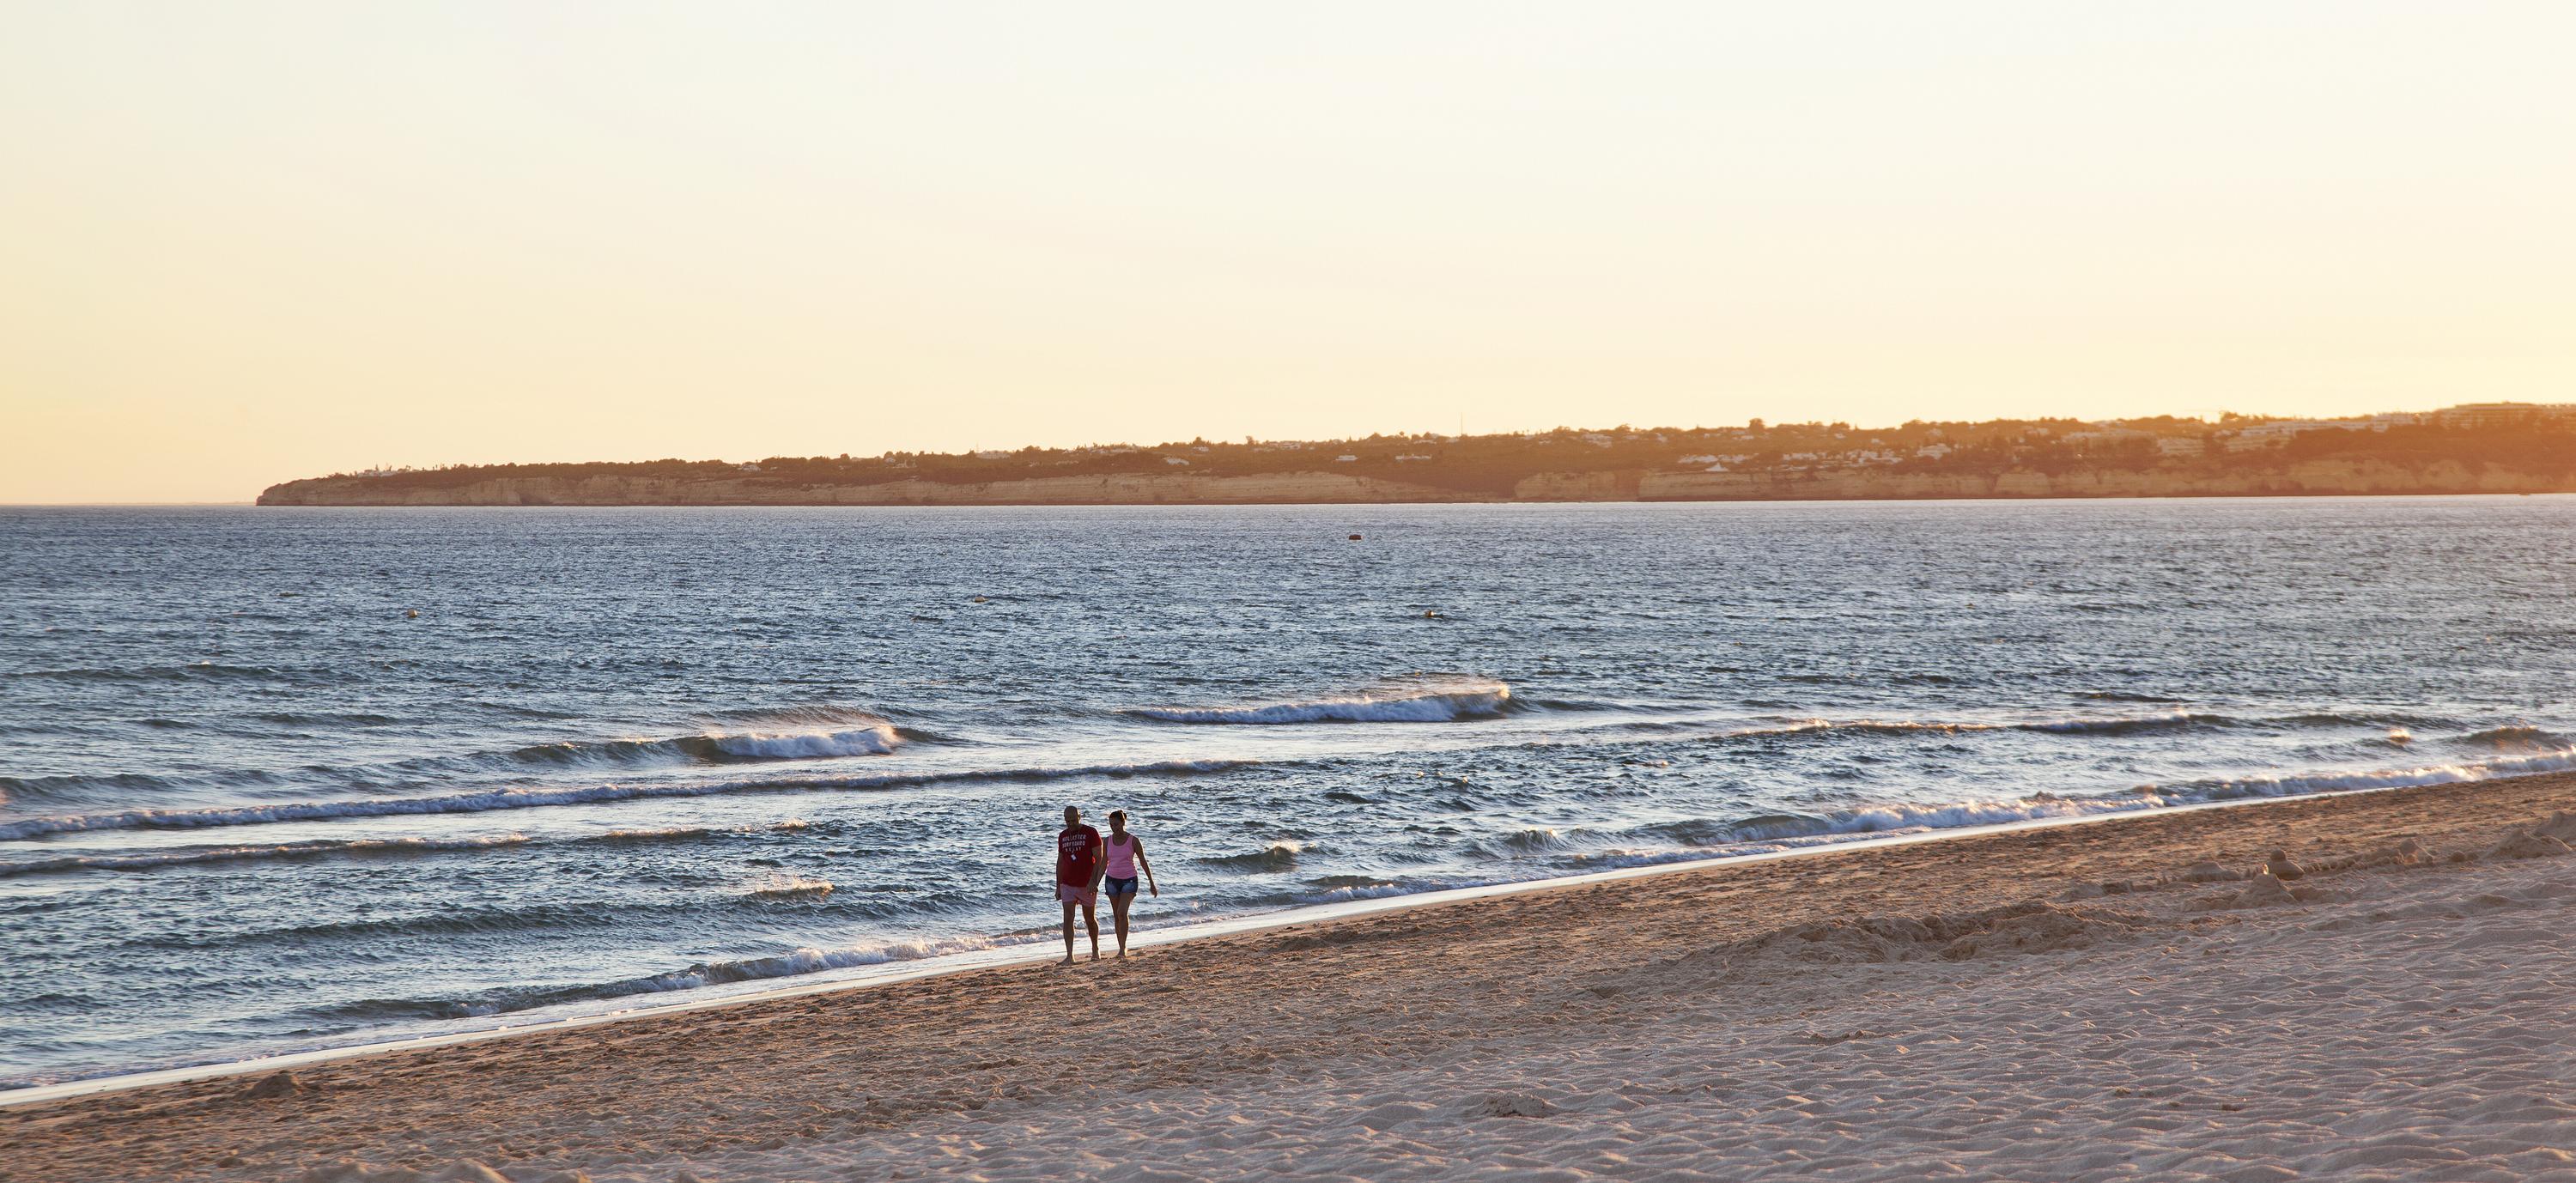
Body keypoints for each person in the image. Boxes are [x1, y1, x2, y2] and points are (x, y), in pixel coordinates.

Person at [1098, 809, 1159, 957]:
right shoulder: (1106, 841)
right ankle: (1121, 946)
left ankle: (1123, 948)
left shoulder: (1134, 840)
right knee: (1116, 915)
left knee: (1122, 912)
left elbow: (1143, 862)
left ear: (1123, 822)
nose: (1114, 828)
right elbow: (1103, 863)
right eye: (1111, 825)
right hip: (1111, 880)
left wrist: (1152, 882)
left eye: (1117, 824)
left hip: (1129, 880)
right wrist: (1095, 882)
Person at [1054, 805, 1104, 964]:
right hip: (1067, 884)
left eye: (1073, 820)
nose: (1070, 824)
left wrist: (1094, 881)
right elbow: (1061, 861)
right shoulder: (1062, 836)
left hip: (1086, 884)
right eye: (1067, 821)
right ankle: (1070, 955)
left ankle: (1095, 949)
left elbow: (1099, 858)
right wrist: (1058, 886)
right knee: (1068, 918)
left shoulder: (1091, 832)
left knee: (1089, 918)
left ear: (1079, 817)